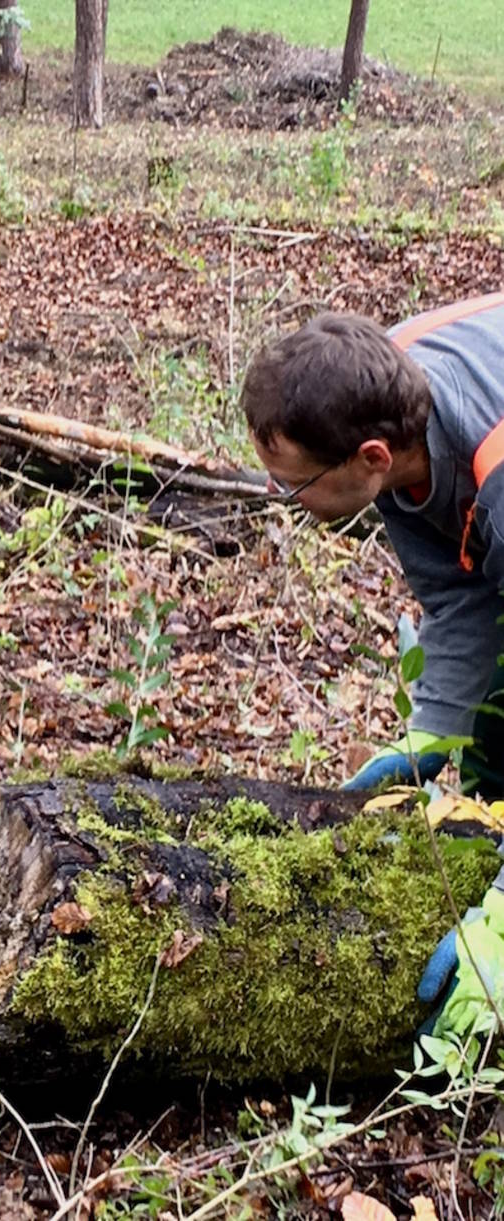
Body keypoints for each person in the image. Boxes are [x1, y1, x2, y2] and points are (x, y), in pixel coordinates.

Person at [241, 294, 504, 1040]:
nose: (280, 496)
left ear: (372, 460)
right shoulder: (377, 392)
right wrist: (432, 732)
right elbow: (459, 593)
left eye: (293, 483)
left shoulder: (495, 474)